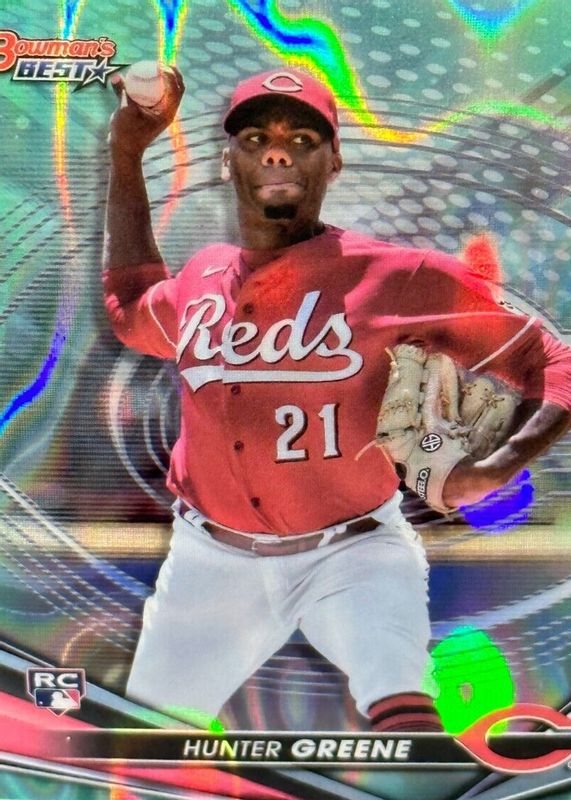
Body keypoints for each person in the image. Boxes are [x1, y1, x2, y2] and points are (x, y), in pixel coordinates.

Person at [103, 67, 571, 732]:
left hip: (353, 554)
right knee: (145, 749)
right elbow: (129, 305)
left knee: (403, 718)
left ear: (334, 161)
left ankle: (406, 716)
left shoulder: (400, 276)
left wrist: (499, 466)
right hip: (208, 563)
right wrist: (126, 151)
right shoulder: (201, 278)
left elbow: (553, 360)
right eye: (256, 138)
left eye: (302, 138)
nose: (277, 151)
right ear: (227, 160)